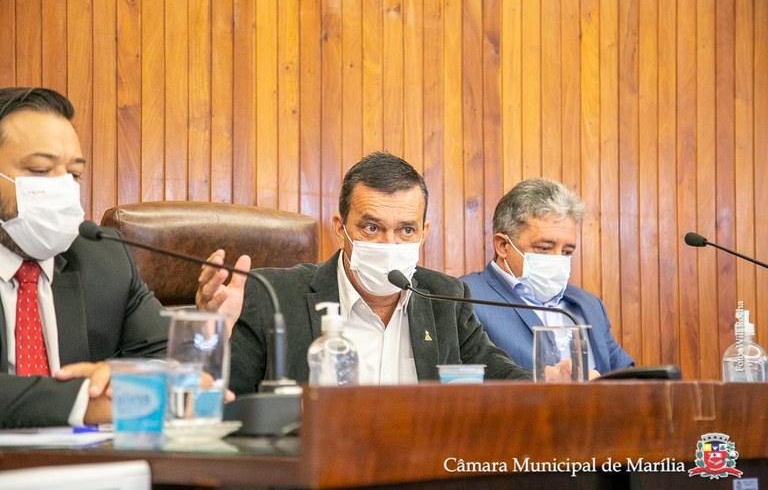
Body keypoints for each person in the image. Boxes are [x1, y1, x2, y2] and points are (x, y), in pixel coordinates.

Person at [197, 152, 531, 393]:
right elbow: (223, 397)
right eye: (372, 228)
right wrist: (210, 336)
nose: (389, 244)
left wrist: (554, 385)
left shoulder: (446, 298)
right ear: (340, 230)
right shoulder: (272, 296)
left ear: (423, 233)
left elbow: (502, 376)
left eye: (406, 230)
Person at [0, 87, 167, 428]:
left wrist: (123, 377)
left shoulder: (103, 257)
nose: (62, 188)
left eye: (74, 174)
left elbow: (167, 358)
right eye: (40, 170)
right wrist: (84, 402)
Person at [460, 178, 634, 374]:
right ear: (503, 245)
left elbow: (629, 377)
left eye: (567, 252)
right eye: (544, 248)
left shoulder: (589, 304)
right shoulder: (464, 299)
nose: (558, 259)